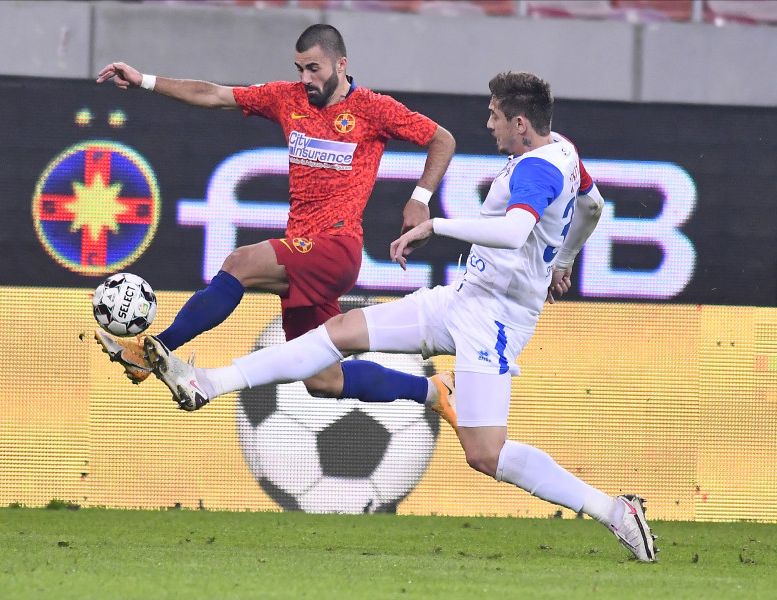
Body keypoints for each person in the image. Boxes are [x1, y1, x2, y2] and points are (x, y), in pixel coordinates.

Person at [141, 71, 658, 562]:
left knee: (486, 454)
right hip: (464, 298)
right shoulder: (564, 152)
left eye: (496, 116)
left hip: (495, 323)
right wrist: (563, 262)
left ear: (521, 124)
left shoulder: (537, 168)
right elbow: (593, 207)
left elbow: (514, 232)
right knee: (337, 332)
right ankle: (208, 381)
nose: (489, 124)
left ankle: (615, 510)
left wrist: (437, 226)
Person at [93, 24, 456, 405]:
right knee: (322, 380)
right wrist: (145, 81)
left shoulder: (372, 109)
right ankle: (434, 391)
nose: (306, 78)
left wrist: (420, 198)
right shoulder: (288, 98)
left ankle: (152, 353)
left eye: (314, 68)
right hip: (305, 251)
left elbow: (442, 139)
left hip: (336, 247)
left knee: (239, 262)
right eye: (300, 68)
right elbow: (214, 94)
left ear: (341, 64)